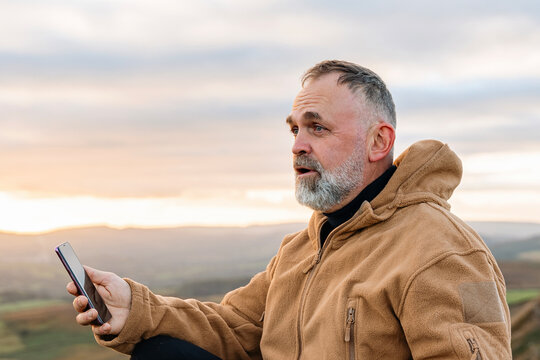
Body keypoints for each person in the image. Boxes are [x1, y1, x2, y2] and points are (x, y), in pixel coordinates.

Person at [68, 60, 512, 359]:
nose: (298, 145)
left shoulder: (444, 252)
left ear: (379, 142)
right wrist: (134, 308)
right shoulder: (304, 247)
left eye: (318, 127)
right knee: (160, 354)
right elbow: (234, 326)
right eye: (295, 129)